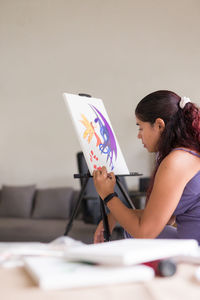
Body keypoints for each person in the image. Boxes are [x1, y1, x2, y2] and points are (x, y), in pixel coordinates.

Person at [92, 90, 200, 244]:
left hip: (195, 252)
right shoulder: (190, 153)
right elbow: (164, 219)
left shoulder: (176, 161)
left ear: (159, 125)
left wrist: (108, 195)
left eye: (140, 127)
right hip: (193, 244)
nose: (139, 135)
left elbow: (145, 233)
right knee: (130, 229)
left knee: (134, 232)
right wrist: (114, 215)